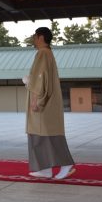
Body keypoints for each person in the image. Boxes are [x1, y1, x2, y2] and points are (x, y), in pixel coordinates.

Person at [25, 27, 75, 179]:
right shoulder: (48, 53)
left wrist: (36, 100)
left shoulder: (42, 53)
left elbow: (40, 78)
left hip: (42, 102)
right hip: (46, 100)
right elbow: (41, 77)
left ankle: (66, 163)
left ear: (40, 37)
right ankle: (45, 169)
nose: (34, 40)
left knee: (49, 134)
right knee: (39, 134)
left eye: (35, 37)